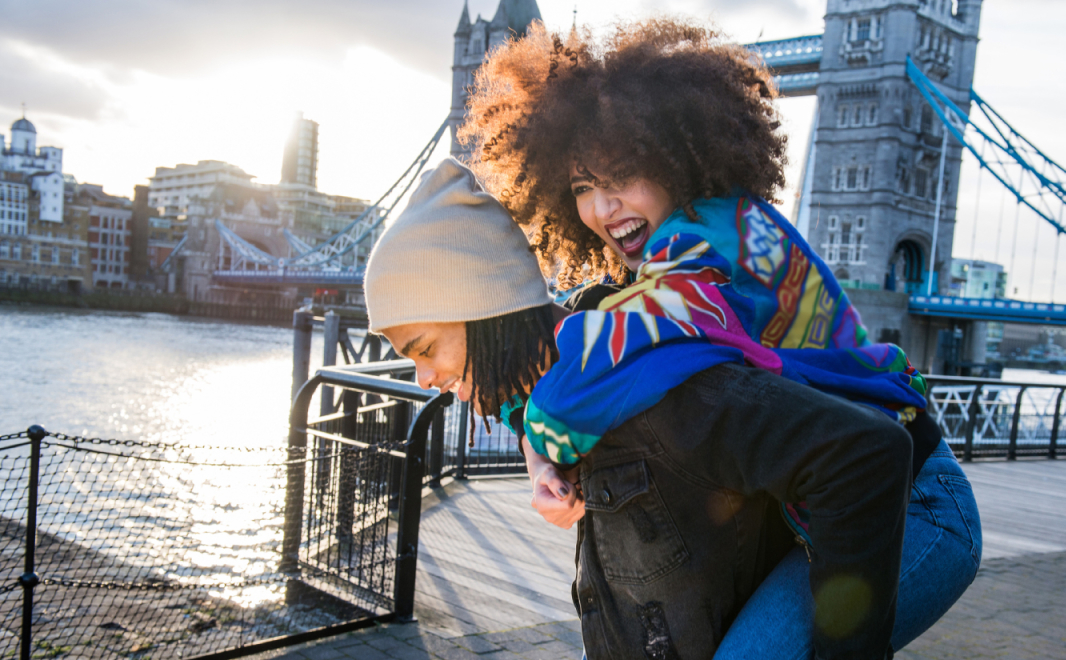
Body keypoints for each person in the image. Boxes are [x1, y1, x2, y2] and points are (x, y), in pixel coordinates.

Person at [463, 18, 982, 659]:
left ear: (678, 159)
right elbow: (593, 356)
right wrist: (540, 451)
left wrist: (540, 427)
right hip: (833, 510)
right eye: (581, 188)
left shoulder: (709, 241)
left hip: (914, 507)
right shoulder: (692, 246)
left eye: (620, 175)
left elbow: (604, 359)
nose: (601, 209)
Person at [364, 157, 914, 659]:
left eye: (424, 349)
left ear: (485, 310)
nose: (425, 379)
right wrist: (540, 465)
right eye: (582, 187)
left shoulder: (646, 370)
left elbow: (865, 456)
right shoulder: (571, 373)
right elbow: (523, 398)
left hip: (901, 502)